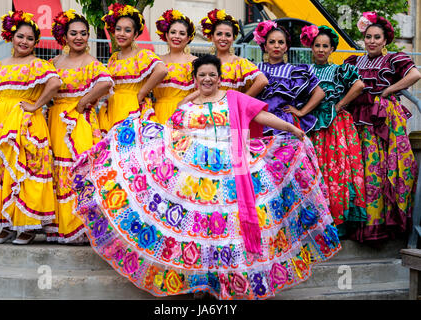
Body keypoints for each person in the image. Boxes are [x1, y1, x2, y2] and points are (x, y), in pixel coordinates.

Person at [70, 54, 340, 300]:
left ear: (219, 77)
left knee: (229, 227)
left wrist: (294, 130)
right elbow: (170, 133)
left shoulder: (234, 98)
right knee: (200, 227)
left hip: (233, 168)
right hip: (194, 174)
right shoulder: (186, 103)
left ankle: (231, 283)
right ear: (195, 78)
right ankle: (201, 282)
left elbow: (264, 116)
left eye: (212, 74)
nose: (208, 79)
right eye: (202, 75)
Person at [0, 11, 61, 244]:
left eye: (30, 38)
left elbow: (55, 83)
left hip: (27, 125)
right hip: (0, 125)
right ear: (11, 37)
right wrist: (3, 108)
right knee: (1, 173)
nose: (24, 41)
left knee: (26, 172)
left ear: (35, 43)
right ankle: (6, 225)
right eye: (20, 36)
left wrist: (35, 106)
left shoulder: (38, 65)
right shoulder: (1, 65)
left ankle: (27, 227)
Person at [344, 12, 421, 243]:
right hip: (358, 119)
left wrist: (388, 90)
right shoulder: (354, 61)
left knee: (384, 169)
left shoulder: (394, 59)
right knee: (364, 170)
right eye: (368, 37)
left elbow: (415, 74)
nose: (372, 41)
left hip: (384, 119)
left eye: (377, 37)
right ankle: (362, 225)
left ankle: (384, 226)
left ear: (385, 40)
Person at [46, 10, 114, 244]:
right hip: (55, 119)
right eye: (73, 33)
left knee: (77, 169)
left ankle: (78, 227)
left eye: (83, 33)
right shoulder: (54, 62)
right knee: (55, 168)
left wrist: (84, 101)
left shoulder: (91, 62)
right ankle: (56, 226)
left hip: (80, 121)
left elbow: (106, 82)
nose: (79, 37)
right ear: (64, 36)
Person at [299, 25, 367, 237]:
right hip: (310, 124)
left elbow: (359, 85)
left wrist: (339, 105)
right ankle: (315, 221)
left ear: (332, 49)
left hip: (335, 126)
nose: (320, 49)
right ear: (311, 47)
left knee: (336, 169)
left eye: (325, 46)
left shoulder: (339, 70)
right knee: (313, 169)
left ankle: (337, 222)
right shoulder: (303, 70)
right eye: (317, 45)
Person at [97, 3, 168, 135]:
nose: (121, 34)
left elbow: (162, 70)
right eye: (118, 29)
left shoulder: (142, 54)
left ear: (135, 34)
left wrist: (141, 93)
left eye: (127, 30)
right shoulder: (113, 57)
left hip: (133, 105)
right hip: (114, 105)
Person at [178, 9, 268, 106]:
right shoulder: (204, 63)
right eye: (219, 34)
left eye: (228, 35)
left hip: (231, 112)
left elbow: (262, 81)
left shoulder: (240, 63)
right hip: (206, 111)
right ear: (212, 37)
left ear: (233, 38)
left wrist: (241, 101)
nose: (223, 38)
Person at [253, 20, 325, 136]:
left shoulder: (294, 72)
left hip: (285, 123)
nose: (277, 46)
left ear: (286, 47)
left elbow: (319, 93)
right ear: (265, 46)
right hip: (260, 120)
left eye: (281, 42)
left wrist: (301, 112)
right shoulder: (255, 68)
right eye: (272, 42)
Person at [152, 9, 197, 124]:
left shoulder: (195, 62)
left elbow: (204, 89)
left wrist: (186, 100)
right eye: (173, 32)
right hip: (159, 112)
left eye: (182, 34)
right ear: (166, 35)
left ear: (188, 38)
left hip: (186, 113)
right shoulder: (157, 61)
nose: (177, 36)